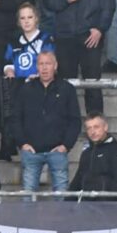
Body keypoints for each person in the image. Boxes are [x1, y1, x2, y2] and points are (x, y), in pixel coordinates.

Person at [40, 0, 114, 116]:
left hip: (90, 34)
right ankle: (66, 125)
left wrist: (99, 28)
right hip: (65, 36)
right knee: (65, 86)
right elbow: (48, 1)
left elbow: (108, 4)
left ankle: (96, 126)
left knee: (92, 84)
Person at [11, 51, 80, 193]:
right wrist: (22, 143)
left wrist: (66, 145)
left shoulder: (67, 89)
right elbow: (16, 118)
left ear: (55, 65)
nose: (44, 68)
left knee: (61, 196)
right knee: (28, 196)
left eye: (48, 63)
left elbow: (75, 120)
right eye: (41, 64)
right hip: (31, 152)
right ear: (36, 66)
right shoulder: (26, 89)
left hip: (57, 151)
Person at [69, 114, 117, 197]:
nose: (92, 132)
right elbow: (77, 182)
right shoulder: (87, 152)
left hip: (108, 206)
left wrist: (97, 189)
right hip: (86, 206)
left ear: (105, 127)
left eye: (96, 127)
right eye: (89, 128)